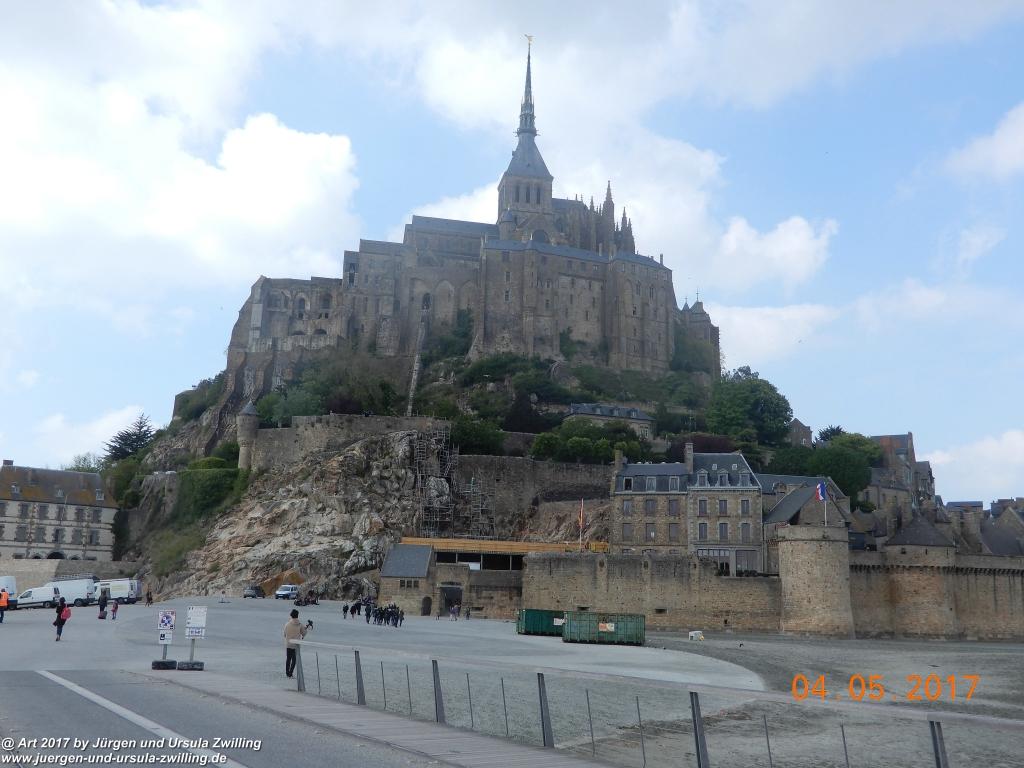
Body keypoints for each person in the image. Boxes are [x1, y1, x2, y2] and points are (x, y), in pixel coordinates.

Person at [283, 608, 307, 678]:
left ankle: (287, 673)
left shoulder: (287, 624)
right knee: (294, 660)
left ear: (291, 615)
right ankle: (291, 672)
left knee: (288, 659)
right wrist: (305, 629)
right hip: (296, 645)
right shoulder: (300, 625)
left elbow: (284, 634)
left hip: (288, 644)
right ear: (297, 615)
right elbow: (304, 633)